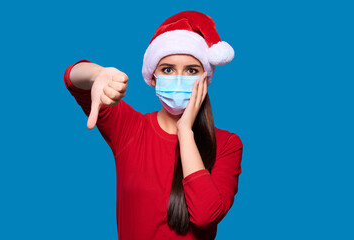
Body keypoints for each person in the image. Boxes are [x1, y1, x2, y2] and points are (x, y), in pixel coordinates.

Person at [64, 10, 243, 240]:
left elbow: (205, 215)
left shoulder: (228, 144)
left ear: (205, 79)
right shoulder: (130, 128)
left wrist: (185, 131)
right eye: (168, 69)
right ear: (154, 77)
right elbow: (72, 77)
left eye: (191, 70)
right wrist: (98, 74)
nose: (179, 79)